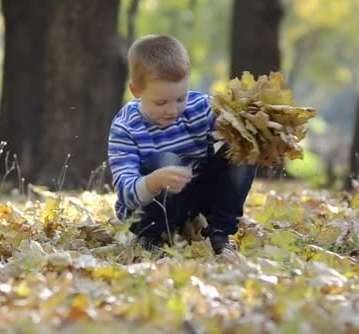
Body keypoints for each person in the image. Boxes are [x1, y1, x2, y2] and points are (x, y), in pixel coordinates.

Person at [107, 34, 256, 254]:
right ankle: (155, 237)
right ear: (136, 91)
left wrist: (245, 130)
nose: (173, 110)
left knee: (242, 149)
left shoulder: (199, 107)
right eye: (161, 102)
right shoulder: (126, 127)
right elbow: (127, 193)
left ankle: (219, 233)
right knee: (165, 159)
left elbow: (231, 139)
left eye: (180, 98)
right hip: (150, 210)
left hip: (195, 199)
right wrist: (154, 181)